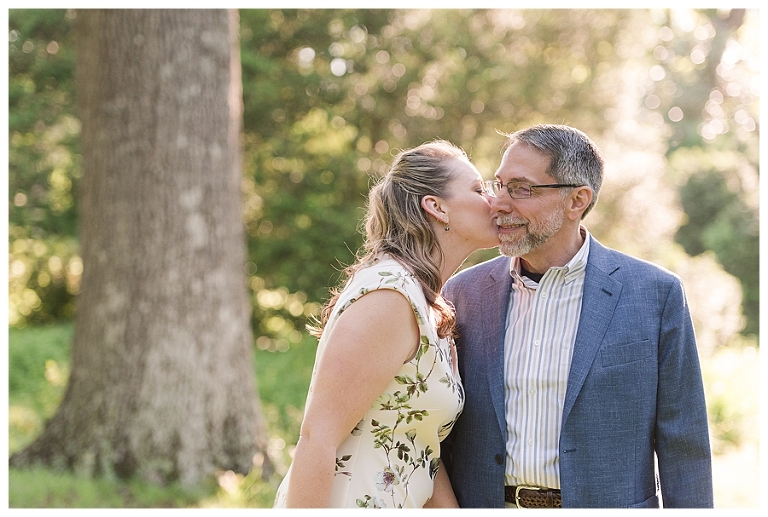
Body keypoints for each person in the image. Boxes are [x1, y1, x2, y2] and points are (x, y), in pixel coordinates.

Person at [441, 124, 713, 508]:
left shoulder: (656, 294)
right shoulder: (462, 294)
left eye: (521, 188)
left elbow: (684, 445)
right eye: (498, 185)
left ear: (576, 201)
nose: (498, 203)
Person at [273, 140, 499, 508]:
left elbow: (421, 448)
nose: (493, 200)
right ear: (436, 206)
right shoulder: (389, 295)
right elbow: (317, 438)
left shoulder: (430, 305)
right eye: (478, 189)